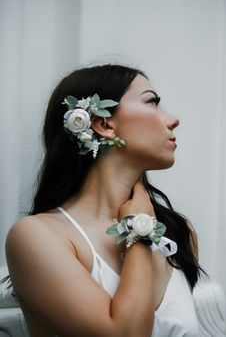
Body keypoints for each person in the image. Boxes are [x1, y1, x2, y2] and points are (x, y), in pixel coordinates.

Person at [5, 64, 201, 337]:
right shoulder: (36, 236)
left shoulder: (178, 232)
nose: (173, 119)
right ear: (103, 124)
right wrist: (139, 229)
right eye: (152, 102)